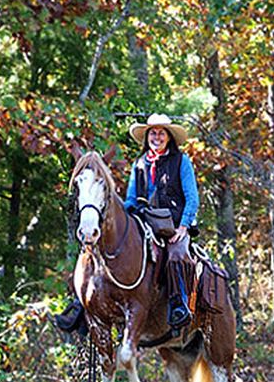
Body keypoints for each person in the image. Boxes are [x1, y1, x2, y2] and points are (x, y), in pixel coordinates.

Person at [55, 113, 199, 333]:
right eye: (153, 133)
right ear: (147, 137)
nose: (156, 137)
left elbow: (192, 198)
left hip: (172, 221)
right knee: (98, 245)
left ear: (169, 137)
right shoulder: (140, 163)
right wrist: (123, 214)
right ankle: (83, 302)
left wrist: (183, 226)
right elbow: (131, 199)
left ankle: (179, 303)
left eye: (161, 133)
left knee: (177, 253)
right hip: (145, 218)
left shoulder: (181, 161)